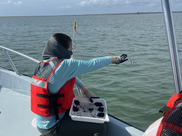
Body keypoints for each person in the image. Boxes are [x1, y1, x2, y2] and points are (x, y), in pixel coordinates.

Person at [31, 33, 128, 136]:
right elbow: (91, 64)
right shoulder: (64, 65)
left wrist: (85, 90)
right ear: (62, 49)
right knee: (100, 127)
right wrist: (113, 59)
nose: (71, 51)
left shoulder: (44, 64)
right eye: (70, 49)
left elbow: (68, 75)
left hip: (45, 123)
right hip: (54, 126)